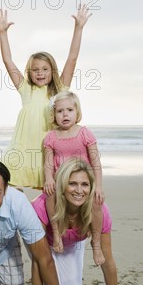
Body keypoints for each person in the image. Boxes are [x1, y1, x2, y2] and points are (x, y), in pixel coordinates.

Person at [31, 158, 136, 285]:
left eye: (85, 184)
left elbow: (107, 260)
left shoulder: (100, 212)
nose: (79, 190)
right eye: (72, 184)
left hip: (73, 242)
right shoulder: (41, 208)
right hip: (46, 244)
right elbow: (39, 260)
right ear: (62, 186)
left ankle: (72, 256)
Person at [0, 4, 92, 190]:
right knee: (12, 187)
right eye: (35, 70)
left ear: (52, 70)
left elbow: (72, 58)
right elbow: (8, 60)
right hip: (23, 150)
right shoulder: (26, 89)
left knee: (49, 192)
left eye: (44, 69)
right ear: (29, 72)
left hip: (47, 150)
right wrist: (2, 32)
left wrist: (78, 28)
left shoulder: (59, 92)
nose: (40, 73)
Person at [43, 91, 105, 265]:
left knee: (96, 203)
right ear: (54, 115)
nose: (65, 114)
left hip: (82, 182)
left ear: (77, 112)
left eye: (69, 110)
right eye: (60, 111)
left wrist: (98, 186)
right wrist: (48, 179)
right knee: (50, 195)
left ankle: (96, 242)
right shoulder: (51, 137)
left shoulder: (84, 133)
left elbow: (96, 162)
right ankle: (56, 234)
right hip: (61, 182)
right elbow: (48, 163)